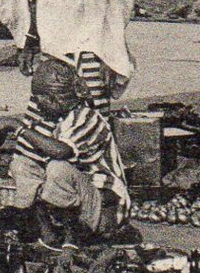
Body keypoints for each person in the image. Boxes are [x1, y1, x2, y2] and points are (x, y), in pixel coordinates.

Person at [10, 55, 130, 250]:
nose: (38, 107)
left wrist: (21, 129)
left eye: (42, 101)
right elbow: (29, 157)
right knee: (22, 165)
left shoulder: (88, 118)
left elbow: (61, 152)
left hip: (103, 210)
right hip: (74, 203)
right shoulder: (53, 120)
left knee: (58, 168)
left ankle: (71, 241)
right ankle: (44, 234)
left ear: (55, 99)